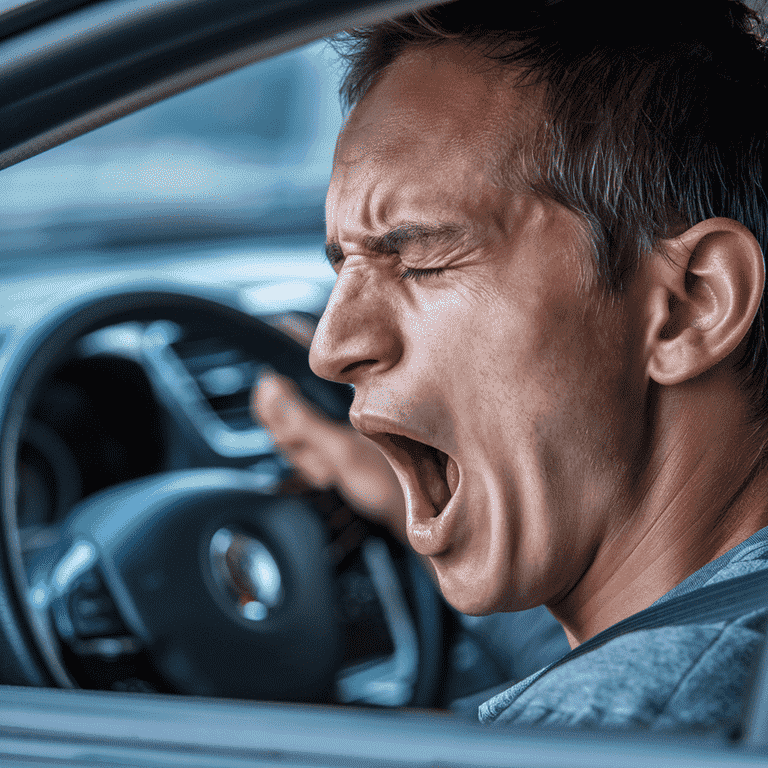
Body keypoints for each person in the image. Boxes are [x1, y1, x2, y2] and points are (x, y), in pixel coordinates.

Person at [257, 0, 768, 732]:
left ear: (691, 305)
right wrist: (362, 474)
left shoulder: (614, 729)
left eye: (423, 257)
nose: (331, 349)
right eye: (343, 266)